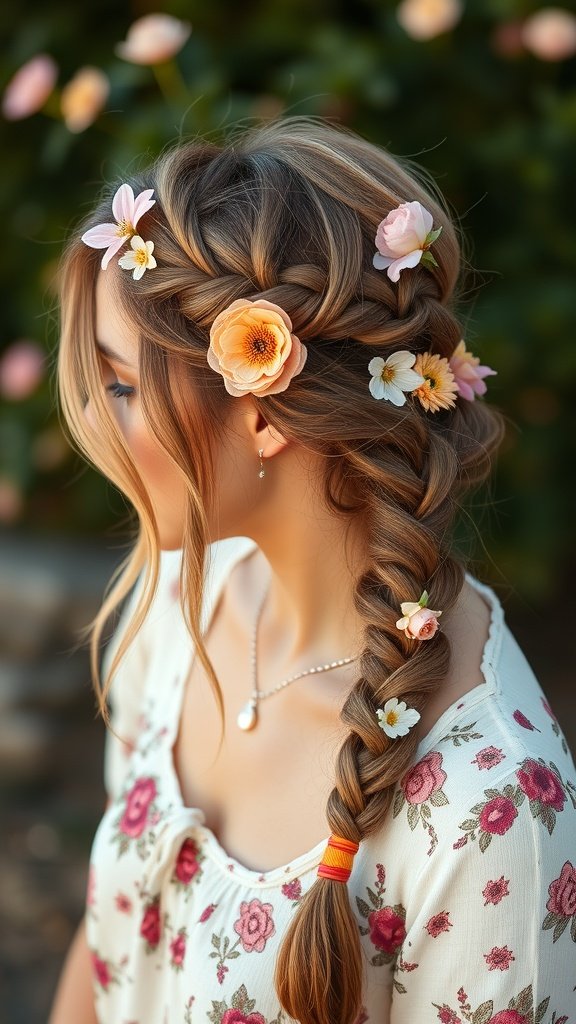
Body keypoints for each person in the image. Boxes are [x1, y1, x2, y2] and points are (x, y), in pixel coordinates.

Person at [49, 119, 575, 1024]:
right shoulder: (180, 610)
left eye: (125, 387)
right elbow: (111, 940)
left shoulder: (487, 813)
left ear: (264, 405)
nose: (93, 426)